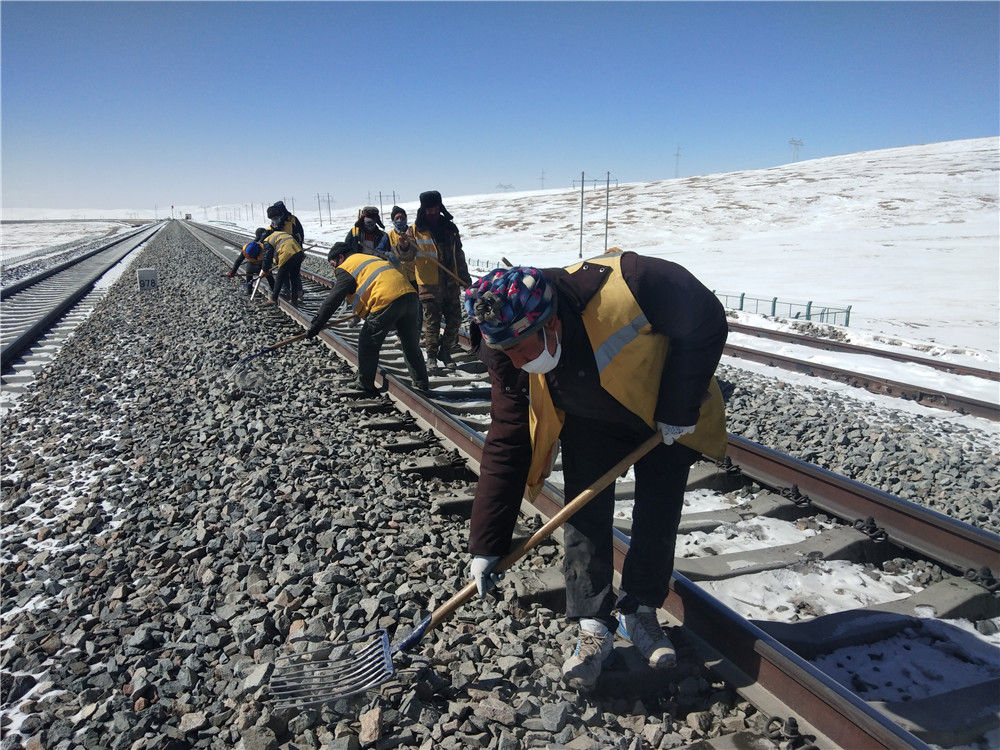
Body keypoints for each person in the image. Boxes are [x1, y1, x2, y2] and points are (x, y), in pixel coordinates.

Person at [462, 252, 728, 692]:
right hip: (590, 418)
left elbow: (706, 319)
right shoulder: (505, 343)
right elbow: (508, 437)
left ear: (552, 323)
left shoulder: (636, 283)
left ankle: (641, 613)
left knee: (658, 512)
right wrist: (486, 543)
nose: (518, 361)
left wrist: (679, 405)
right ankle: (594, 627)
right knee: (584, 514)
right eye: (506, 353)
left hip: (663, 409)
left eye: (524, 349)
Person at [306, 242, 429, 393]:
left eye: (333, 264)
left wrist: (317, 324)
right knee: (410, 344)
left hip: (386, 299)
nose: (334, 268)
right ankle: (422, 382)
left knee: (367, 342)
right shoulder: (368, 258)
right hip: (410, 297)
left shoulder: (346, 267)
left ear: (340, 257)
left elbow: (334, 298)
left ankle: (365, 384)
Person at [411, 190, 472, 369]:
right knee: (433, 323)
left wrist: (465, 278)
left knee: (455, 320)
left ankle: (445, 351)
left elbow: (459, 255)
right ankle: (431, 357)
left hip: (450, 284)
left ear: (440, 207)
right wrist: (404, 246)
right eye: (428, 209)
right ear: (423, 209)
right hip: (429, 285)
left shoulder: (450, 228)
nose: (432, 212)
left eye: (435, 208)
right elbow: (404, 256)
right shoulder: (415, 231)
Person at [260, 226, 305, 306]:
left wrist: (264, 270)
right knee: (294, 277)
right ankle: (294, 300)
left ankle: (273, 299)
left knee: (279, 277)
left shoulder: (268, 240)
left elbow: (267, 257)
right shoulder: (281, 234)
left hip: (287, 255)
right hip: (299, 253)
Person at [228, 228, 274, 294]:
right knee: (268, 275)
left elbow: (239, 261)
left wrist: (264, 270)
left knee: (264, 274)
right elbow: (238, 261)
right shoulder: (250, 249)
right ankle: (274, 290)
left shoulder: (262, 248)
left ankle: (250, 290)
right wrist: (233, 272)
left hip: (259, 263)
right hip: (257, 264)